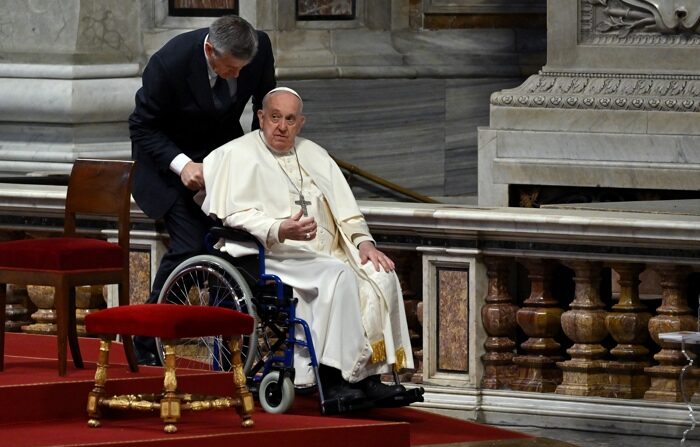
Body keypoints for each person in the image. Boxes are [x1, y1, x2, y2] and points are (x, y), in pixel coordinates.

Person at [201, 87, 415, 404]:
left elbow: (347, 209)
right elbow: (235, 215)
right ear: (261, 117)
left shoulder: (314, 154)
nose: (281, 127)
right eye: (274, 117)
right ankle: (332, 378)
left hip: (322, 254)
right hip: (272, 255)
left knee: (379, 275)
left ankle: (369, 376)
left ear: (301, 123)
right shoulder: (236, 155)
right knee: (338, 276)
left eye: (290, 119)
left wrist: (364, 242)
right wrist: (279, 228)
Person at [129, 15, 276, 365]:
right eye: (229, 69)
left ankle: (227, 353)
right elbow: (142, 126)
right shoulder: (169, 62)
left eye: (243, 68)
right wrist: (183, 165)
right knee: (192, 244)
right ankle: (146, 339)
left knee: (236, 246)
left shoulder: (260, 47)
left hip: (222, 160)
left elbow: (264, 104)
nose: (238, 76)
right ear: (210, 50)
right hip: (167, 164)